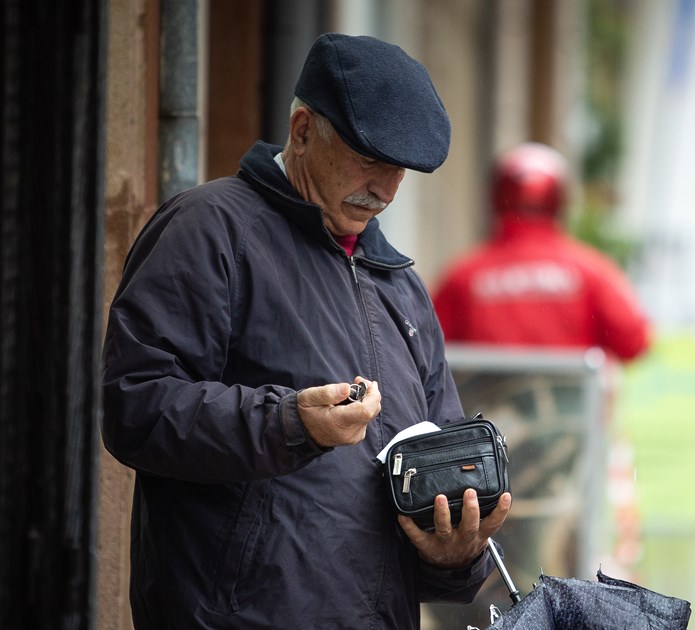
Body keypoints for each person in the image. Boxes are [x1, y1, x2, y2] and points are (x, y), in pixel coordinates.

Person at [101, 33, 511, 629]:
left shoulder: (400, 286)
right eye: (369, 159)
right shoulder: (210, 227)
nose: (385, 188)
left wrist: (455, 552)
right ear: (300, 131)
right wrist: (290, 423)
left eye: (400, 170)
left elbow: (432, 465)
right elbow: (135, 407)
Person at [432, 142, 651, 364]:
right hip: (568, 399)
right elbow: (634, 341)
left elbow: (428, 345)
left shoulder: (462, 276)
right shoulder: (591, 272)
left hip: (485, 400)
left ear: (497, 197)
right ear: (560, 200)